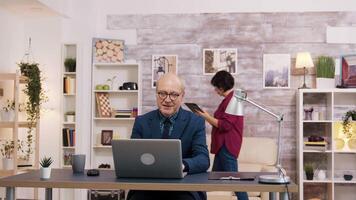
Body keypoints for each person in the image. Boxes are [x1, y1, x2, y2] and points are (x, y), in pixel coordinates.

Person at [128, 73, 210, 200]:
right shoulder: (141, 121)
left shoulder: (195, 122)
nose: (167, 99)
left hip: (184, 188)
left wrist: (181, 166)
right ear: (156, 94)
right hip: (147, 187)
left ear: (182, 96)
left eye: (174, 94)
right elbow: (132, 158)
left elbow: (203, 159)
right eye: (162, 93)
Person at [195, 70, 249, 200]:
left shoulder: (234, 100)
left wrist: (206, 117)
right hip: (221, 146)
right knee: (212, 179)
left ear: (221, 86)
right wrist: (207, 116)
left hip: (227, 146)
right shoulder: (229, 100)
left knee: (236, 183)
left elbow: (225, 125)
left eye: (216, 87)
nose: (215, 90)